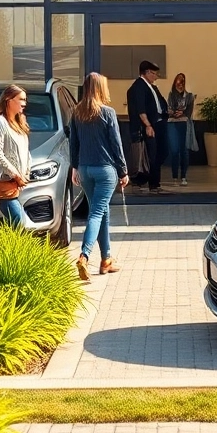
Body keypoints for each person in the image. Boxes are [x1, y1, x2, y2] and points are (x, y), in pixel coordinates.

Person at [70, 72, 128, 281]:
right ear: (100, 89)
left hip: (85, 170)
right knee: (96, 213)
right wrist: (123, 171)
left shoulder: (76, 112)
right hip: (105, 171)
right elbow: (116, 144)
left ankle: (107, 260)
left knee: (101, 211)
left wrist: (75, 168)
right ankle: (84, 256)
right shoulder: (108, 113)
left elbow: (73, 143)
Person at [0, 84, 31, 228]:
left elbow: (26, 152)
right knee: (19, 223)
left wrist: (26, 173)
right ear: (8, 99)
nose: (24, 103)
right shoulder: (0, 122)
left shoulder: (20, 122)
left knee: (21, 224)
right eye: (21, 99)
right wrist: (15, 175)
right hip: (6, 184)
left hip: (18, 184)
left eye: (25, 100)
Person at [127, 59, 169, 194]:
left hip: (159, 123)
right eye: (155, 74)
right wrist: (148, 125)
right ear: (148, 72)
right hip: (149, 126)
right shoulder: (139, 87)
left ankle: (154, 182)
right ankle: (150, 183)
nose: (156, 77)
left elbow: (159, 103)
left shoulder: (153, 87)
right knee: (150, 155)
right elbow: (141, 109)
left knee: (161, 152)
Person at [165, 72, 197, 186]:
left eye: (182, 80)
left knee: (184, 151)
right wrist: (175, 113)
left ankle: (183, 176)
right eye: (178, 80)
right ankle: (174, 177)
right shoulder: (171, 95)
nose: (180, 83)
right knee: (174, 151)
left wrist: (182, 113)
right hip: (172, 123)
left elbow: (189, 112)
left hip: (184, 123)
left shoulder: (189, 96)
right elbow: (169, 109)